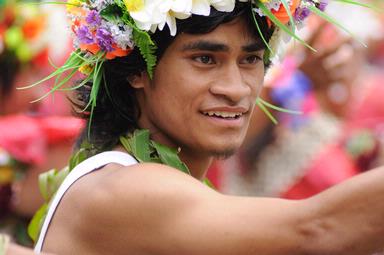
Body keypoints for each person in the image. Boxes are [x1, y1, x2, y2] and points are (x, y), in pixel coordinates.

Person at [9, 0, 384, 254]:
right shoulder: (124, 189)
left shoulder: (148, 178)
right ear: (137, 70)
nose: (236, 89)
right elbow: (317, 230)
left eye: (251, 59)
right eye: (206, 59)